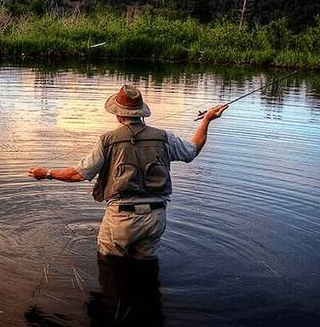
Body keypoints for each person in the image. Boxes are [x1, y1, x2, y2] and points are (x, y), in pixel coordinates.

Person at [28, 84, 227, 260]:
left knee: (110, 269)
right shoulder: (164, 137)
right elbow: (192, 151)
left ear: (118, 114)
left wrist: (46, 173)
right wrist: (207, 120)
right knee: (145, 273)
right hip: (156, 217)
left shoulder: (107, 140)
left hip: (121, 219)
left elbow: (79, 174)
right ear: (141, 112)